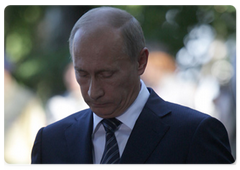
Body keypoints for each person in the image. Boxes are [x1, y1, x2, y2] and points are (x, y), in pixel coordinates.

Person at [31, 6, 235, 165]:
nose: (93, 91)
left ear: (141, 62)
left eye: (106, 74)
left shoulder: (194, 135)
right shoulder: (50, 142)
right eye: (82, 74)